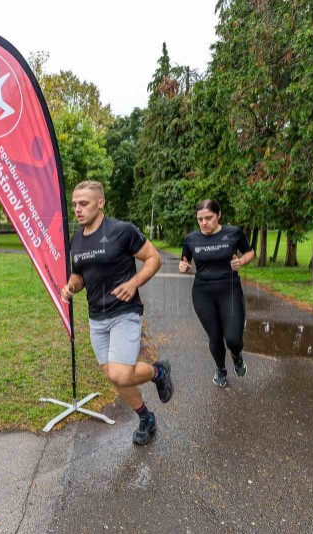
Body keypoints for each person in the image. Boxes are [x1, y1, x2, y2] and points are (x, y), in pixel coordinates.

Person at [61, 180, 172, 445]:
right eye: (75, 204)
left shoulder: (122, 230)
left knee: (120, 373)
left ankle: (159, 372)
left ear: (100, 203)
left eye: (84, 203)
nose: (78, 209)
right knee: (117, 378)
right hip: (96, 317)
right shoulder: (76, 239)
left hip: (125, 312)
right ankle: (146, 417)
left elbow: (153, 258)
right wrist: (70, 287)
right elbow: (79, 276)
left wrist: (134, 282)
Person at [179, 199, 255, 387]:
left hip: (229, 290)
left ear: (219, 215)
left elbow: (250, 252)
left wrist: (241, 262)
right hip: (203, 293)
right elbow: (185, 261)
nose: (204, 223)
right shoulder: (191, 239)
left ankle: (236, 355)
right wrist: (183, 266)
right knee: (215, 337)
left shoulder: (233, 233)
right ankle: (221, 369)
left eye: (209, 218)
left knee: (233, 339)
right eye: (200, 219)